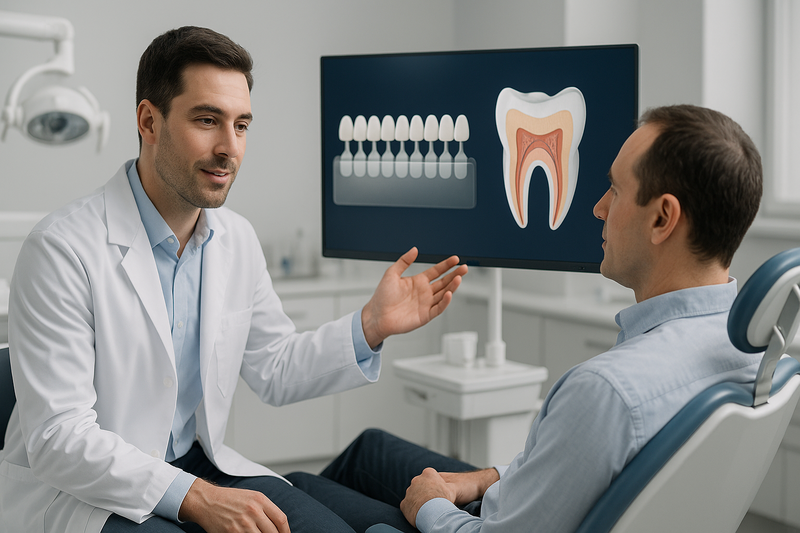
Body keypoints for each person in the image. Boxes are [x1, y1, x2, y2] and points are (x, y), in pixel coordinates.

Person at [0, 26, 467, 533]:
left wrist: (370, 326)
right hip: (87, 491)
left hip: (198, 465)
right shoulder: (62, 249)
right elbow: (59, 438)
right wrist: (198, 499)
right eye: (207, 120)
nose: (230, 147)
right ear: (148, 121)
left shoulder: (236, 239)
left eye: (241, 125)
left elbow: (275, 368)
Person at [285, 104, 765, 533]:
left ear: (663, 219)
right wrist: (490, 478)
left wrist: (433, 507)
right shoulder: (748, 349)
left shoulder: (607, 393)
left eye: (615, 191)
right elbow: (586, 474)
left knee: (294, 489)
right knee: (370, 449)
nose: (598, 207)